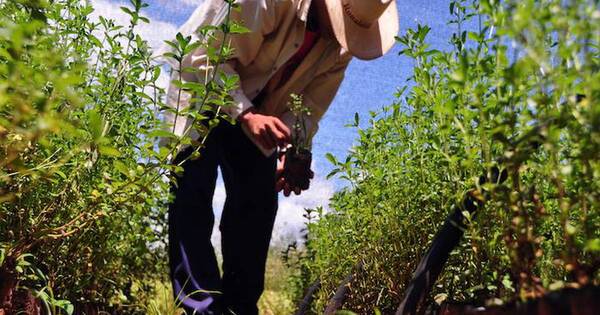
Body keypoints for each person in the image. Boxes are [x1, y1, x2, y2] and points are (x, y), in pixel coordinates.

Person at [161, 0, 399, 314]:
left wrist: (295, 149)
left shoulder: (341, 48)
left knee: (257, 205)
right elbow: (203, 58)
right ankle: (201, 306)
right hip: (204, 85)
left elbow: (309, 108)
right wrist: (245, 115)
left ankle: (240, 307)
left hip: (264, 109)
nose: (343, 36)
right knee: (192, 191)